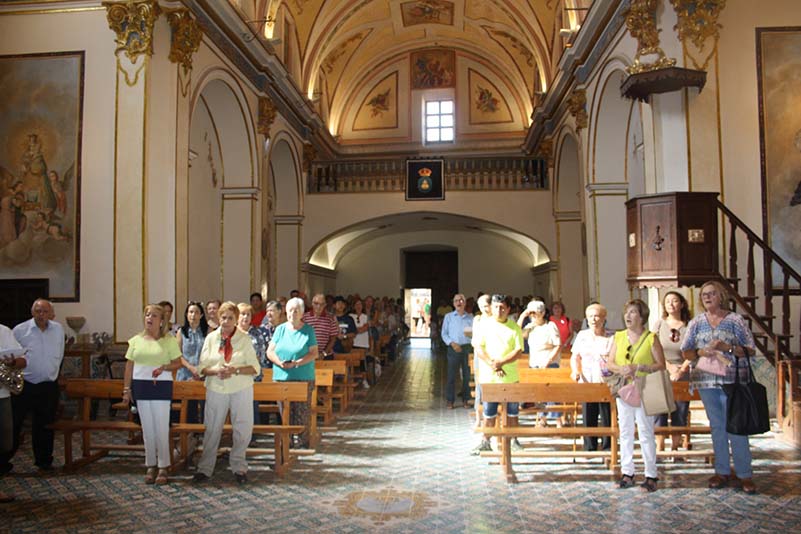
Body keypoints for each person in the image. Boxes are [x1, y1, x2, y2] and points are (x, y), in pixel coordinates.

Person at [681, 280, 758, 494]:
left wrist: (728, 347)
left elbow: (750, 349)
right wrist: (699, 353)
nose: (707, 297)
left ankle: (744, 473)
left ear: (721, 297)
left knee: (737, 425)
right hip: (706, 381)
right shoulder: (696, 322)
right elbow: (685, 351)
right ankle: (722, 471)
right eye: (704, 294)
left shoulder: (735, 320)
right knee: (717, 426)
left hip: (733, 382)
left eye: (712, 293)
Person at [193, 302, 260, 484]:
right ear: (218, 318)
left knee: (242, 428)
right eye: (223, 317)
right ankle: (205, 468)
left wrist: (235, 370)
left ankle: (239, 467)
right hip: (216, 388)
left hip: (241, 388)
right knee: (212, 428)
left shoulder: (244, 339)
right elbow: (202, 368)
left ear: (236, 319)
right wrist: (216, 371)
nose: (226, 321)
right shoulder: (211, 339)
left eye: (231, 318)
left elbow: (255, 368)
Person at [606, 299, 666, 492]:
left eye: (633, 312)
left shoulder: (651, 338)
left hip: (645, 388)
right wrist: (621, 368)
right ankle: (627, 472)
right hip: (624, 390)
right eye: (627, 312)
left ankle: (651, 475)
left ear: (642, 317)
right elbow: (610, 362)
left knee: (646, 432)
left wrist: (639, 367)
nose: (628, 316)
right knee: (625, 432)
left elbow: (661, 364)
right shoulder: (619, 337)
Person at [0, 299, 64, 474]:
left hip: (48, 385)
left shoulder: (58, 329)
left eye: (45, 311)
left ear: (51, 313)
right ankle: (3, 462)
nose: (41, 315)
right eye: (38, 311)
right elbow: (13, 354)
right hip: (26, 385)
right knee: (14, 424)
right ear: (32, 312)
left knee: (45, 425)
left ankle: (44, 461)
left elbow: (59, 353)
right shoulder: (20, 330)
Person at [121, 304, 182, 485]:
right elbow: (129, 367)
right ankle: (150, 465)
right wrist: (126, 390)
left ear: (161, 320)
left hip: (161, 385)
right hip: (141, 386)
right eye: (147, 314)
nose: (149, 318)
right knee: (147, 429)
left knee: (161, 428)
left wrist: (164, 367)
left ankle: (163, 466)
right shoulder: (135, 341)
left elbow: (177, 363)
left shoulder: (168, 340)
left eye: (154, 315)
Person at [472, 295, 524, 454]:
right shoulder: (484, 325)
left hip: (510, 378)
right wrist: (493, 364)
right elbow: (479, 348)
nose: (499, 310)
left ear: (508, 309)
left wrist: (501, 363)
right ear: (491, 308)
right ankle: (486, 441)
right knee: (489, 412)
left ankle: (514, 440)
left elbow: (518, 351)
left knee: (512, 412)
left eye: (502, 307)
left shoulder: (514, 327)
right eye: (496, 307)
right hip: (489, 378)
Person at [267, 297, 318, 448]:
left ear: (302, 313)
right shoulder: (280, 329)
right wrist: (279, 362)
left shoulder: (308, 330)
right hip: (282, 377)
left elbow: (314, 353)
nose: (292, 313)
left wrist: (297, 363)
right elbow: (270, 351)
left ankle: (303, 441)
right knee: (284, 412)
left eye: (296, 311)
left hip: (303, 376)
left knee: (301, 411)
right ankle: (286, 441)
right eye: (290, 310)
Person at [570, 303, 613, 452]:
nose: (593, 319)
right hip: (587, 380)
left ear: (603, 318)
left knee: (607, 414)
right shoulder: (582, 336)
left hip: (605, 381)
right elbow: (575, 356)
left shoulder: (611, 337)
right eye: (590, 316)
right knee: (589, 414)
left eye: (596, 316)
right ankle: (590, 446)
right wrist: (576, 370)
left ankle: (608, 446)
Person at [652, 291, 691, 453]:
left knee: (680, 410)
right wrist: (668, 366)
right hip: (661, 369)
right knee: (659, 411)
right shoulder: (659, 324)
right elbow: (652, 348)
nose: (671, 304)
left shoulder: (689, 325)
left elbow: (694, 351)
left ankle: (675, 448)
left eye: (675, 301)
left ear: (681, 304)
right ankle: (660, 447)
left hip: (683, 371)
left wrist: (681, 369)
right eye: (667, 301)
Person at [520, 300, 562, 426]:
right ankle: (542, 419)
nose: (533, 316)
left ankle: (558, 420)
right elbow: (517, 334)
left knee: (552, 393)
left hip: (550, 363)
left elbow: (558, 345)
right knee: (538, 394)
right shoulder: (530, 327)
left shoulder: (550, 326)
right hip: (535, 364)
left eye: (536, 313)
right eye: (531, 314)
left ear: (543, 313)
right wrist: (523, 316)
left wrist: (548, 361)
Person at [0, 323, 26, 503]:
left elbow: (22, 360)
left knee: (5, 442)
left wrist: (12, 362)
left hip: (1, 394)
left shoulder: (3, 331)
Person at [176, 301, 209, 424]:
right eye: (190, 312)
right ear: (186, 314)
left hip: (204, 373)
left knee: (206, 405)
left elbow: (210, 353)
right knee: (189, 407)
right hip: (186, 373)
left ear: (201, 315)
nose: (193, 315)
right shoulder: (181, 332)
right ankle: (190, 433)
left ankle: (206, 431)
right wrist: (191, 368)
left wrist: (200, 369)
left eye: (196, 312)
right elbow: (178, 355)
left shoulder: (208, 331)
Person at [237, 302, 270, 424]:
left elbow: (260, 355)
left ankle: (252, 432)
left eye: (248, 314)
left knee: (251, 405)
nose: (245, 317)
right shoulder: (232, 333)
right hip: (235, 375)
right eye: (242, 314)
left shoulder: (257, 333)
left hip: (252, 376)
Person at [441, 293, 474, 409]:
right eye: (456, 301)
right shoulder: (448, 317)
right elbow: (444, 333)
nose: (459, 302)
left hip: (467, 348)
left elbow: (473, 334)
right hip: (453, 348)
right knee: (451, 376)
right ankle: (450, 400)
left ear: (465, 303)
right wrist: (452, 343)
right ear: (453, 303)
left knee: (467, 375)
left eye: (461, 300)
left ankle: (466, 399)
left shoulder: (471, 318)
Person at [303, 293, 338, 358]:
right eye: (316, 303)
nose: (318, 306)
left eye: (321, 304)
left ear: (325, 305)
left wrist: (324, 353)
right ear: (312, 304)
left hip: (326, 355)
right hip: (307, 355)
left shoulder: (330, 318)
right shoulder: (304, 318)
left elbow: (333, 338)